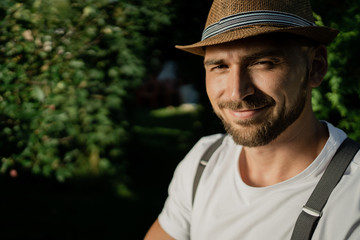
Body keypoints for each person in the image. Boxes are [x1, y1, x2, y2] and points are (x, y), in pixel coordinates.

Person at [145, 0, 360, 239]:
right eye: (220, 66)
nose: (237, 92)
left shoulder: (352, 198)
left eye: (262, 63)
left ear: (316, 67)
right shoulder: (203, 162)